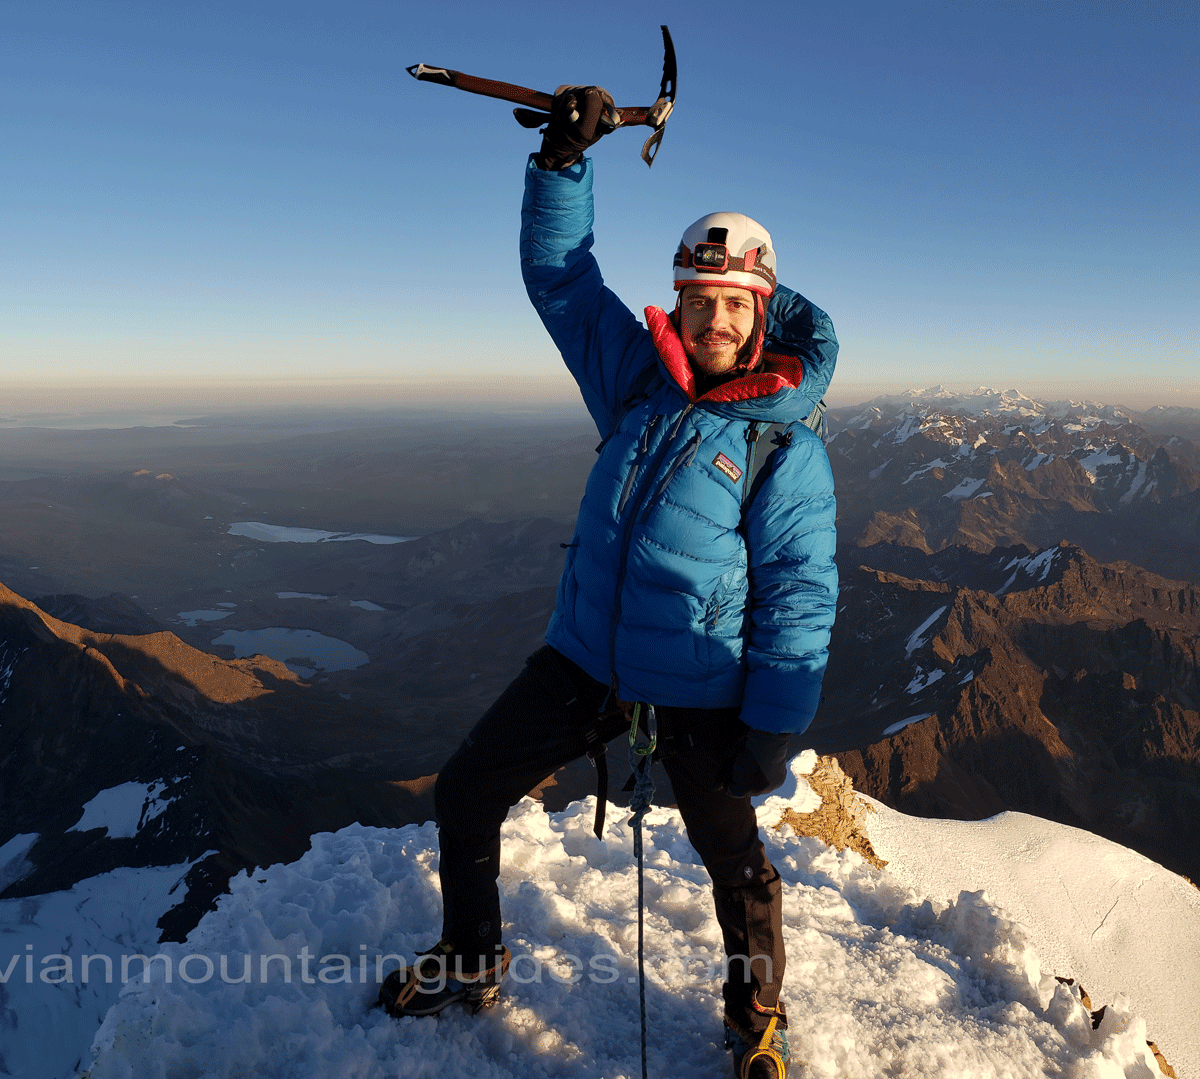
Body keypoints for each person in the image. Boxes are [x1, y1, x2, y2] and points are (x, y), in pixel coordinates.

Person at [377, 87, 838, 1079]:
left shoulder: (780, 442)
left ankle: (757, 1009)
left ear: (762, 314)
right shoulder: (638, 376)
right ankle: (471, 950)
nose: (712, 320)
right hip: (585, 655)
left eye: (733, 305)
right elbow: (560, 281)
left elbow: (802, 588)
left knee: (737, 863)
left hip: (704, 686)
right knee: (467, 788)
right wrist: (559, 165)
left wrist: (773, 721)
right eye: (697, 300)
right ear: (678, 301)